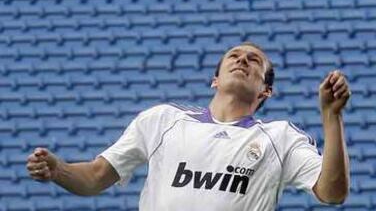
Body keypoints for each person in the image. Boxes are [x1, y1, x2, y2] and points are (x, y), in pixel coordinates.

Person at [27, 42, 351, 210]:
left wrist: (331, 117)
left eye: (254, 61)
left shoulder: (280, 138)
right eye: (234, 56)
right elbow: (96, 177)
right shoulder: (162, 121)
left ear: (266, 90)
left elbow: (333, 193)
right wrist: (60, 170)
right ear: (215, 79)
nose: (242, 60)